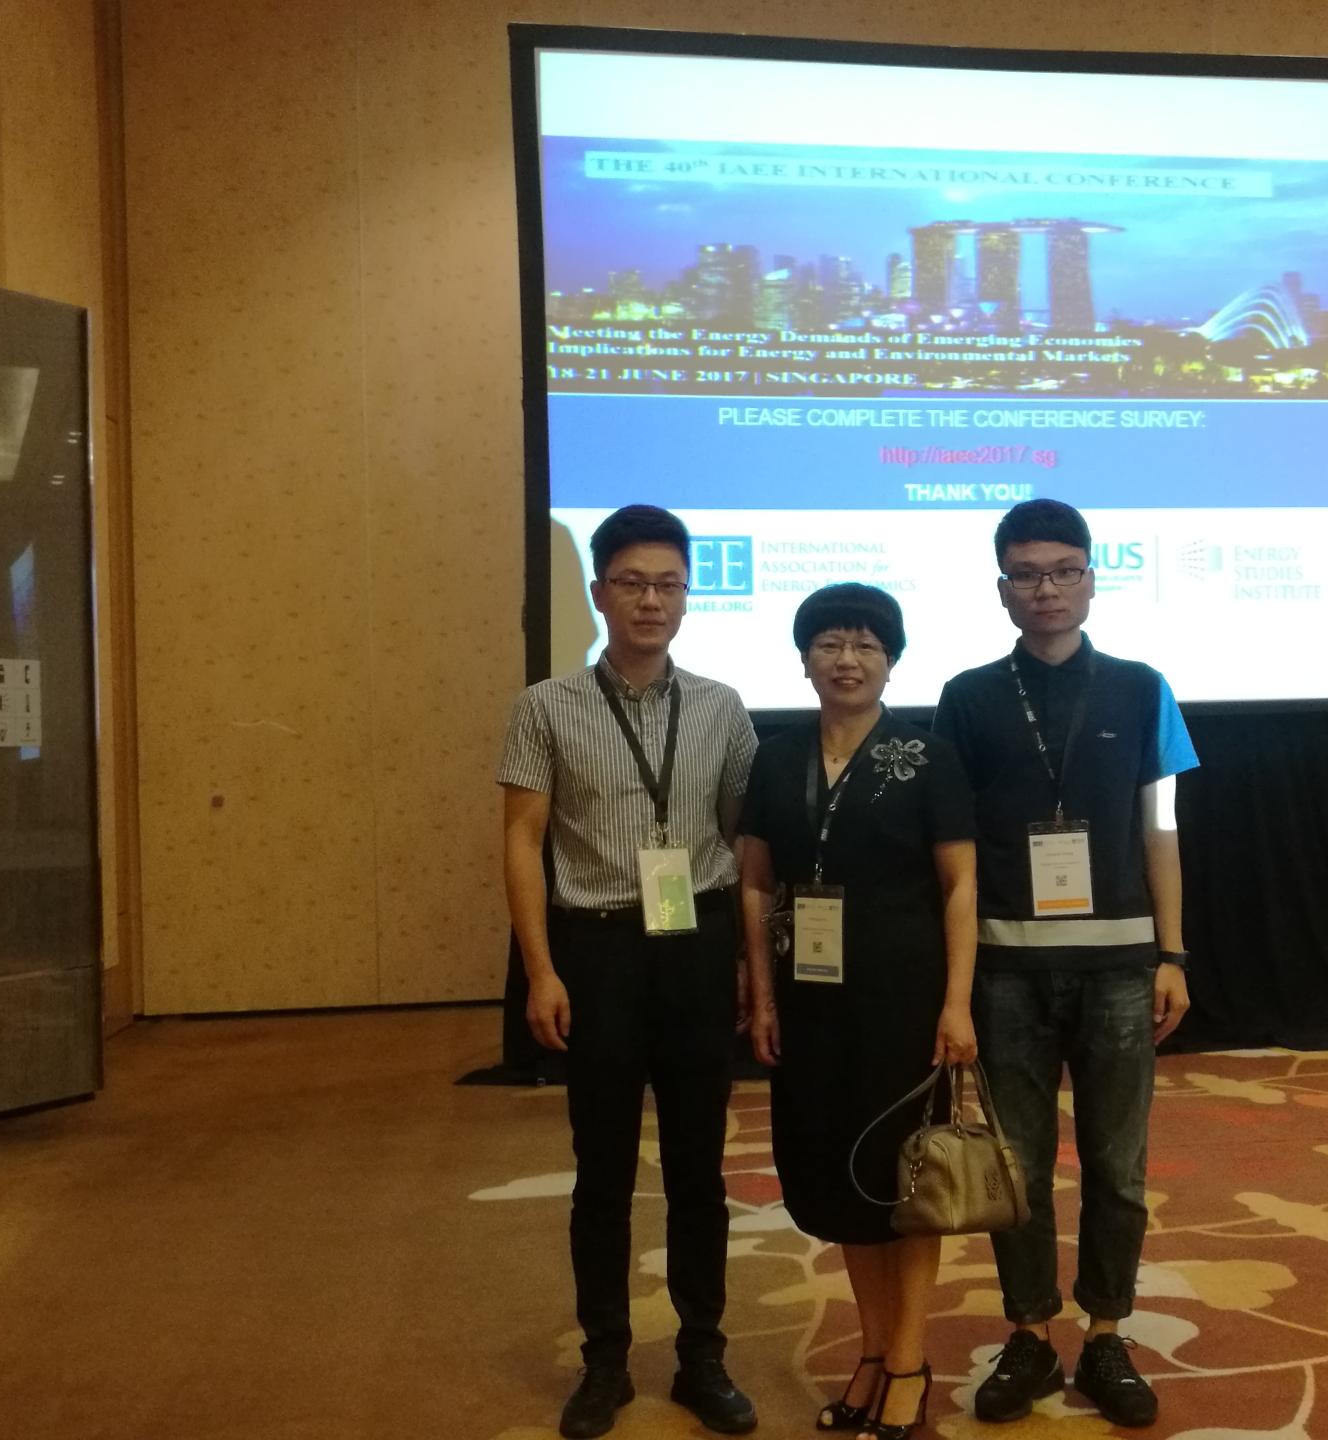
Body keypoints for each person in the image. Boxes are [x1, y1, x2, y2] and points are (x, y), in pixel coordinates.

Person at [932, 499, 1198, 1428]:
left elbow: (1161, 828)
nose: (1045, 589)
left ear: (1091, 578)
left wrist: (1172, 952)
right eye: (1026, 574)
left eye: (1063, 571)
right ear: (1001, 589)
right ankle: (1032, 1335)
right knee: (1019, 1169)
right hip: (1006, 970)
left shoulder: (1141, 687)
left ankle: (1108, 1333)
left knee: (1118, 1167)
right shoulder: (967, 698)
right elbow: (954, 850)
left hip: (1120, 969)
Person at [498, 505, 760, 1439]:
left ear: (688, 597)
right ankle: (605, 1361)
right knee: (602, 1170)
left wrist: (748, 962)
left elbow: (744, 842)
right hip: (598, 949)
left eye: (669, 585)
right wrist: (541, 972)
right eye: (633, 583)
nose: (652, 600)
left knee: (699, 1170)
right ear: (599, 592)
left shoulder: (723, 707)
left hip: (697, 946)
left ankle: (702, 1356)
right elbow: (522, 840)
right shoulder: (545, 707)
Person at [737, 583, 979, 1440]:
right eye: (830, 644)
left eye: (867, 645)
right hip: (809, 1002)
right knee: (841, 1181)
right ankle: (873, 1352)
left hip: (903, 1004)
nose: (847, 660)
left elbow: (960, 886)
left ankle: (909, 1363)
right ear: (804, 658)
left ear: (892, 660)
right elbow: (756, 881)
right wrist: (762, 994)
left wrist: (958, 1003)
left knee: (903, 1183)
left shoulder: (929, 757)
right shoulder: (775, 758)